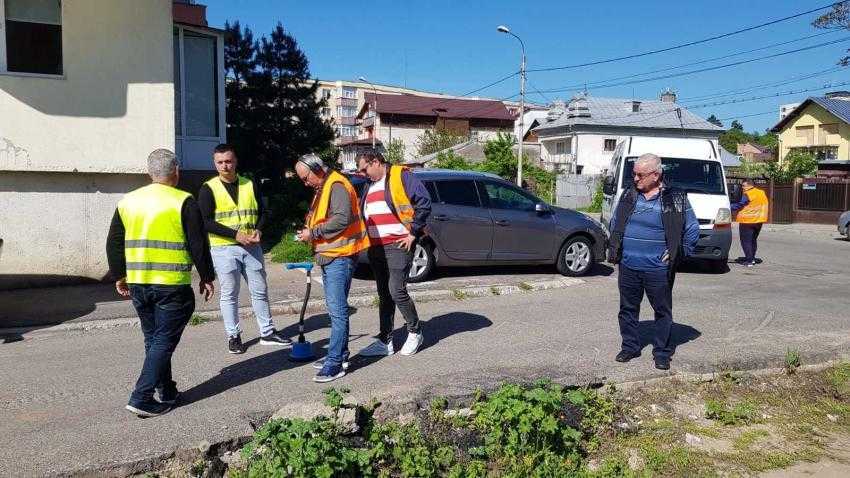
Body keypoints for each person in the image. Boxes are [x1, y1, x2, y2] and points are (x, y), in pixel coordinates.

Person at [106, 149, 216, 417]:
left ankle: (165, 391)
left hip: (139, 284)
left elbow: (114, 243)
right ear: (176, 171)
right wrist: (207, 276)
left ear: (149, 173)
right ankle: (141, 397)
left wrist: (119, 275)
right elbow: (197, 243)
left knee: (154, 340)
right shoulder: (183, 201)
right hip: (171, 286)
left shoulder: (128, 201)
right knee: (162, 342)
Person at [606, 153, 699, 370]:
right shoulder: (629, 194)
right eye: (634, 174)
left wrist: (679, 251)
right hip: (628, 265)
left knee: (662, 311)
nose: (635, 179)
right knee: (627, 309)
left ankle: (661, 352)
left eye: (640, 175)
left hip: (658, 269)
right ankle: (630, 347)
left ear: (656, 175)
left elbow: (692, 229)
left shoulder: (676, 197)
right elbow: (615, 221)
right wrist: (615, 246)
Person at [198, 143, 291, 354]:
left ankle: (267, 332)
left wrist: (259, 230)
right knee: (229, 294)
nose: (225, 166)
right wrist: (235, 235)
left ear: (236, 161)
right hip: (224, 248)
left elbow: (263, 212)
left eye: (229, 161)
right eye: (220, 162)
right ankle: (233, 336)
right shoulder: (208, 188)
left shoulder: (249, 183)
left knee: (260, 290)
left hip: (252, 246)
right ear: (215, 164)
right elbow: (204, 221)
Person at [294, 154, 370, 383]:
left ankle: (335, 363)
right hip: (332, 255)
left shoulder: (335, 185)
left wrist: (313, 233)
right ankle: (339, 355)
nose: (305, 183)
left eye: (306, 178)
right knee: (336, 310)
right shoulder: (326, 185)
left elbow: (341, 220)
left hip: (341, 256)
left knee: (337, 312)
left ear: (317, 169)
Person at [354, 151, 431, 357]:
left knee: (396, 289)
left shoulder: (401, 176)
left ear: (376, 162)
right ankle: (385, 341)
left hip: (398, 244)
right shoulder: (368, 185)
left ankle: (415, 331)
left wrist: (413, 233)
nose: (362, 174)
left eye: (364, 169)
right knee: (384, 294)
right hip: (376, 246)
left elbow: (424, 202)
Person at [731, 179, 768, 267]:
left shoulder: (748, 193)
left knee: (746, 241)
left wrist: (727, 206)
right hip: (759, 221)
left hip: (747, 221)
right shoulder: (761, 192)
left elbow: (740, 204)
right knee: (753, 240)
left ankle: (749, 260)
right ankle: (752, 258)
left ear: (749, 185)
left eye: (744, 186)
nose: (742, 188)